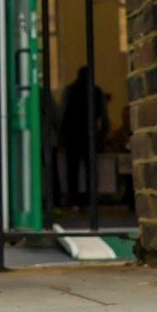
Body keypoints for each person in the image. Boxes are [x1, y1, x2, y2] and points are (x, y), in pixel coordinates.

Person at [58, 66, 110, 209]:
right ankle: (90, 199)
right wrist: (103, 135)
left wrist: (61, 135)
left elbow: (62, 113)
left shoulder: (70, 91)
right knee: (90, 170)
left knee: (72, 170)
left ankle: (73, 199)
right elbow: (104, 117)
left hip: (72, 135)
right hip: (89, 135)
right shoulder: (96, 91)